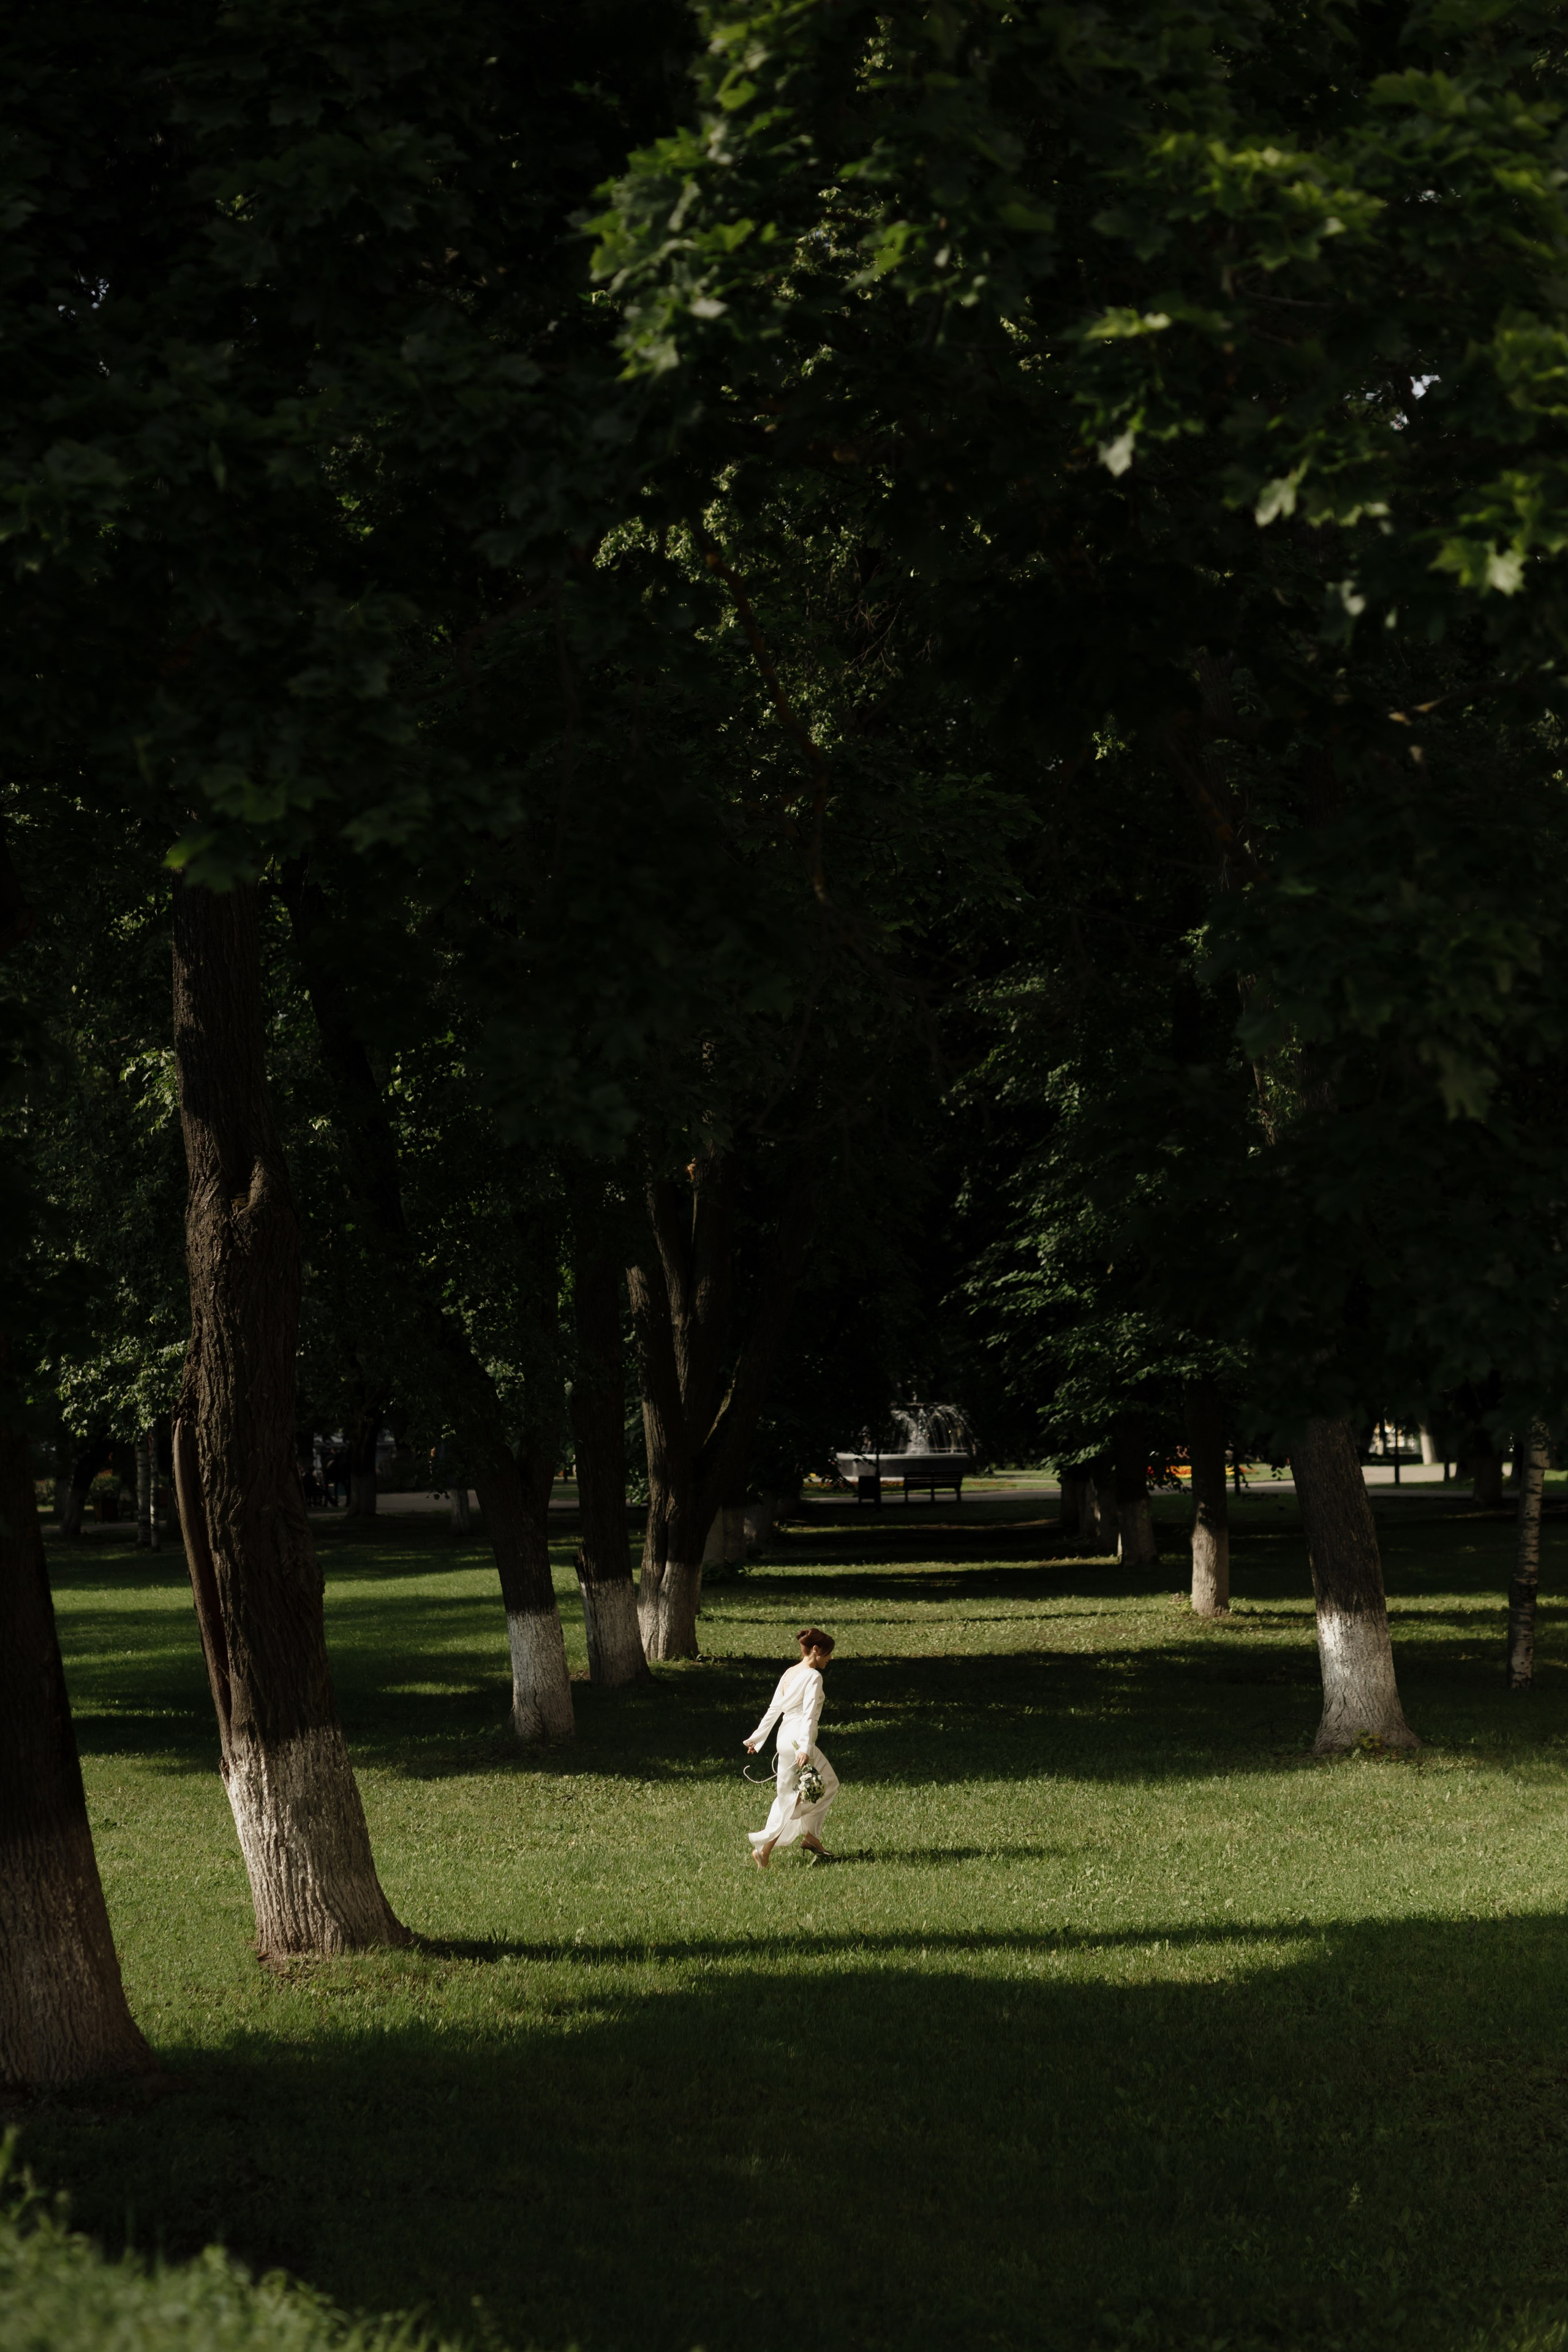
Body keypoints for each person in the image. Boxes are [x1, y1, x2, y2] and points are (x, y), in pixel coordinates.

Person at [744, 1627, 840, 1868]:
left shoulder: (789, 1673)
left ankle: (811, 1837)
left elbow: (774, 1710)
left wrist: (757, 1738)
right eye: (828, 1653)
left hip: (785, 1737)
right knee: (802, 1794)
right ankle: (767, 1848)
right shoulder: (813, 1677)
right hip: (798, 1740)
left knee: (811, 1788)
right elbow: (809, 1715)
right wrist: (805, 1747)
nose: (830, 1658)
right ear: (816, 1650)